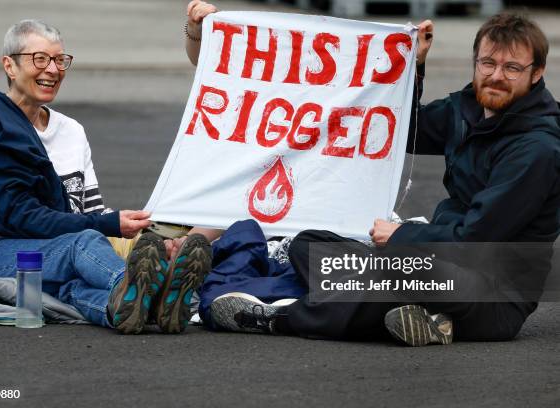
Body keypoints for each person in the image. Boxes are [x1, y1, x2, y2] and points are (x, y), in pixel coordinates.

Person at [210, 13, 560, 345]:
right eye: (488, 63)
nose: (496, 75)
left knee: (407, 274)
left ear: (536, 73)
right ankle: (427, 319)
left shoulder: (536, 150)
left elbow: (477, 239)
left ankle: (278, 319)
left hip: (493, 295)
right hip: (439, 263)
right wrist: (415, 65)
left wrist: (403, 235)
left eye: (512, 68)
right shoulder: (467, 109)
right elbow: (403, 131)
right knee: (310, 244)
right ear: (475, 62)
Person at [0, 19, 214, 335]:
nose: (52, 69)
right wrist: (108, 224)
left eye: (60, 60)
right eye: (40, 59)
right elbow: (19, 217)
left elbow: (91, 214)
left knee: (76, 285)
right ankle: (144, 288)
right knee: (83, 243)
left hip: (59, 253)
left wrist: (163, 230)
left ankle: (129, 307)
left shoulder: (72, 132)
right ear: (10, 65)